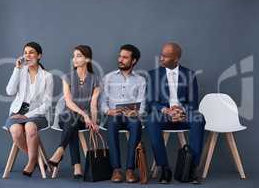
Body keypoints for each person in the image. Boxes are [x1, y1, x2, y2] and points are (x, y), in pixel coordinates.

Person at [146, 42, 205, 184]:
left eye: (165, 57)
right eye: (161, 55)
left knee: (199, 119)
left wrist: (181, 110)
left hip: (183, 113)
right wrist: (167, 110)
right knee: (151, 120)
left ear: (176, 59)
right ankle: (164, 168)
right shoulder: (152, 75)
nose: (161, 58)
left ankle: (192, 169)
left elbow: (193, 102)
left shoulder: (189, 75)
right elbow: (151, 102)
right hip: (163, 113)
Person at [48, 45, 100, 179]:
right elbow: (69, 103)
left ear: (87, 59)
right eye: (74, 56)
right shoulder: (67, 77)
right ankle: (72, 161)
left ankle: (62, 153)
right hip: (66, 117)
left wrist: (93, 121)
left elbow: (93, 104)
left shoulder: (95, 79)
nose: (74, 59)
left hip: (83, 121)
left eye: (79, 56)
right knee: (72, 117)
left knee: (73, 124)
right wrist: (84, 114)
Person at [4, 42, 53, 177]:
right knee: (16, 131)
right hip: (17, 112)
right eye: (25, 52)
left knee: (30, 127)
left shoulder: (47, 76)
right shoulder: (20, 72)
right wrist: (17, 69)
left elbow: (47, 104)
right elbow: (9, 91)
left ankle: (31, 162)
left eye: (31, 52)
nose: (27, 55)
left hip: (37, 113)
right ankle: (38, 159)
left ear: (39, 56)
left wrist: (28, 116)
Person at [100, 44, 146, 183]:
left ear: (134, 61)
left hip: (131, 116)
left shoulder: (140, 80)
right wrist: (109, 110)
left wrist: (136, 112)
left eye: (125, 57)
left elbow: (142, 103)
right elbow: (102, 102)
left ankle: (130, 170)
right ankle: (116, 170)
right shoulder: (108, 78)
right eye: (120, 56)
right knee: (112, 124)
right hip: (114, 114)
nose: (120, 59)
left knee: (136, 124)